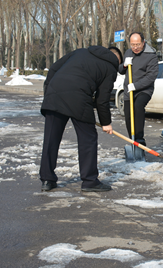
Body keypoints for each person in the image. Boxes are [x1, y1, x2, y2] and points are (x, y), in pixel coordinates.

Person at [39, 45, 122, 193]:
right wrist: (106, 123)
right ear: (117, 60)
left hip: (54, 94)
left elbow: (53, 69)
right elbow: (102, 100)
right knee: (87, 139)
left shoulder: (80, 52)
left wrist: (49, 93)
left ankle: (47, 179)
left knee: (51, 138)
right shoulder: (110, 67)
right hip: (79, 98)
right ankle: (90, 181)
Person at [118, 32, 158, 158]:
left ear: (143, 42)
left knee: (138, 107)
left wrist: (136, 86)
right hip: (128, 91)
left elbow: (151, 76)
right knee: (129, 117)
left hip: (144, 90)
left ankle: (140, 141)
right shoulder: (128, 53)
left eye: (138, 44)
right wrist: (124, 65)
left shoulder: (151, 56)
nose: (135, 47)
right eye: (132, 44)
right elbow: (120, 70)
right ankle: (133, 142)